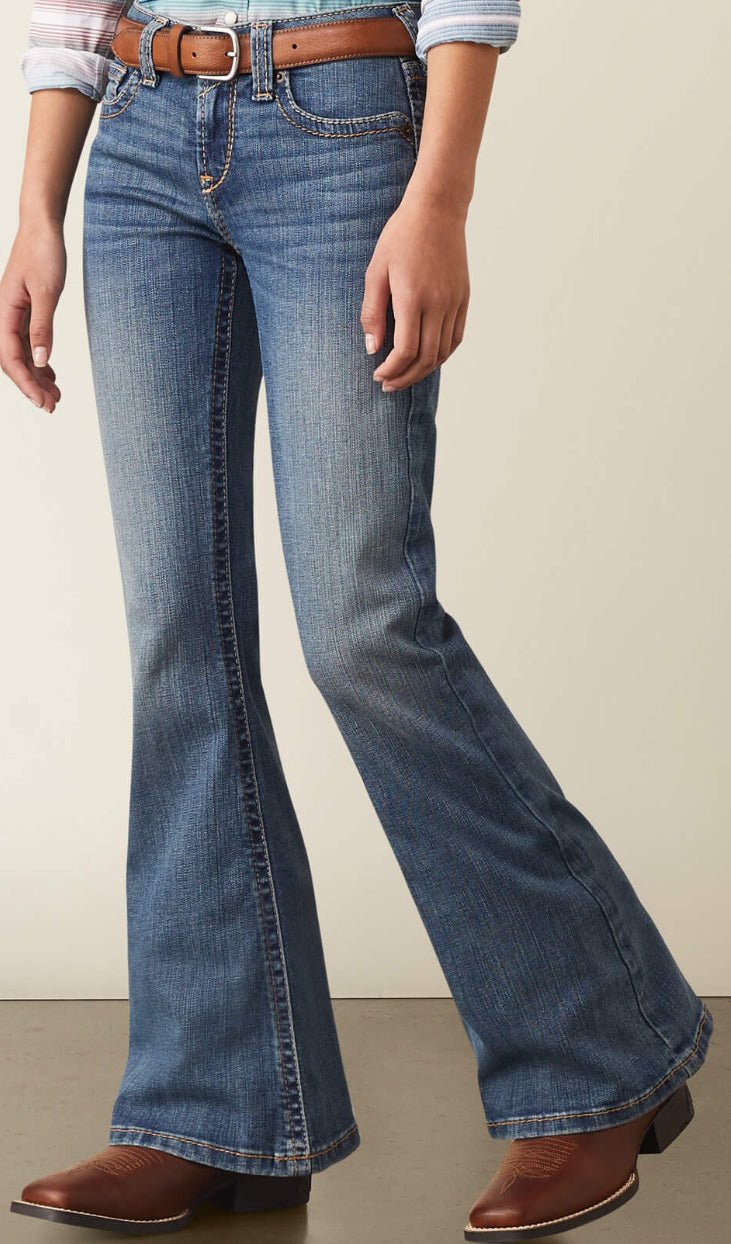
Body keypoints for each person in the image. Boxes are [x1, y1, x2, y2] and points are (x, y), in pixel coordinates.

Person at [2, 2, 713, 1239]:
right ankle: (213, 1112)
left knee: (363, 624)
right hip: (143, 133)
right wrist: (35, 206)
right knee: (178, 645)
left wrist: (439, 197)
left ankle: (599, 1054)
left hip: (340, 124)